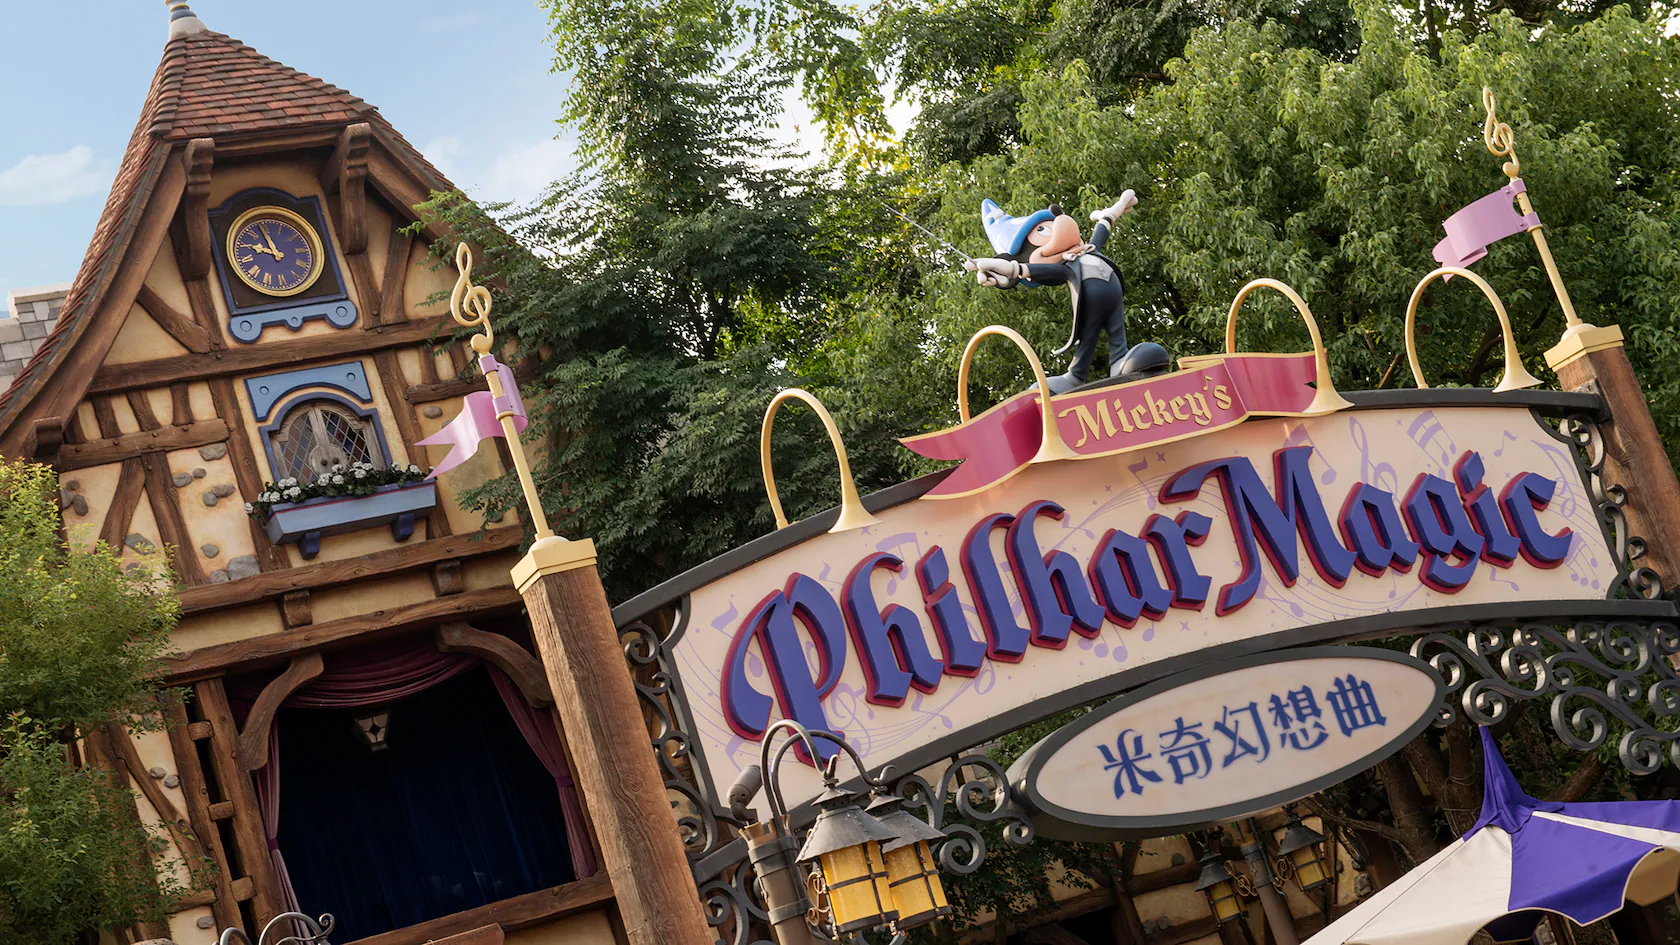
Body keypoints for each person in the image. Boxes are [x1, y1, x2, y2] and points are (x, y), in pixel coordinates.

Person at [968, 192, 1166, 393]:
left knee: (1117, 330)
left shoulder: (1090, 249)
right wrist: (1011, 269)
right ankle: (1076, 375)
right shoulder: (1067, 266)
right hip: (1089, 304)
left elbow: (1104, 224)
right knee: (1087, 337)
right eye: (1044, 230)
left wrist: (1119, 205)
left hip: (1113, 300)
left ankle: (1120, 360)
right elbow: (1035, 270)